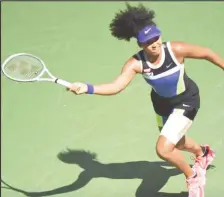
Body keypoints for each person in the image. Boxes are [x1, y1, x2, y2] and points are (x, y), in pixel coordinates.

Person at [67, 3, 223, 197]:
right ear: (140, 44)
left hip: (186, 100)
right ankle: (203, 153)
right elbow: (116, 86)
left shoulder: (176, 50)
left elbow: (207, 53)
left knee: (163, 149)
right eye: (149, 41)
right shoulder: (136, 63)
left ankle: (194, 178)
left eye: (156, 37)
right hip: (161, 105)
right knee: (176, 143)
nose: (155, 43)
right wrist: (87, 88)